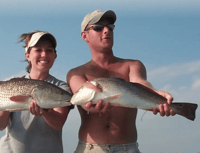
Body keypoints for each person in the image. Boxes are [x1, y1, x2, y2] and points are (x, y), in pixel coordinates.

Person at [67, 10, 176, 153]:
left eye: (110, 27)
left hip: (128, 148)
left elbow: (140, 83)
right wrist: (90, 108)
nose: (106, 31)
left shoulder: (133, 65)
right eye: (98, 27)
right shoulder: (75, 73)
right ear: (84, 35)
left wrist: (156, 94)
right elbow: (81, 97)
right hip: (90, 148)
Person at [0, 31, 72, 153]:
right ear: (27, 55)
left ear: (55, 55)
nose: (44, 54)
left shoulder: (61, 88)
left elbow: (58, 123)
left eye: (49, 50)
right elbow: (0, 124)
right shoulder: (10, 84)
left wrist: (45, 112)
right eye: (38, 50)